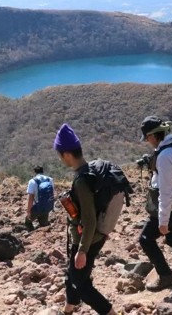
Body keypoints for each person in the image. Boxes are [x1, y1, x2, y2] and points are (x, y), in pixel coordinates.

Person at [54, 123, 116, 315]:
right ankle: (68, 310)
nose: (60, 159)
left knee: (81, 284)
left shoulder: (82, 181)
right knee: (72, 275)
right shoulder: (89, 171)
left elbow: (89, 220)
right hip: (90, 236)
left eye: (59, 155)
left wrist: (82, 250)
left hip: (87, 238)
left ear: (66, 154)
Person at [138, 116, 172, 292]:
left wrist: (163, 221)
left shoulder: (165, 156)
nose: (147, 142)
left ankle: (166, 276)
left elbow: (166, 192)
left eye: (147, 138)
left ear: (154, 136)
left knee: (146, 239)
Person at [26, 165, 54, 231]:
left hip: (37, 207)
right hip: (47, 206)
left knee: (27, 222)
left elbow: (31, 197)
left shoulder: (32, 181)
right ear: (43, 171)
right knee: (44, 225)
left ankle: (32, 235)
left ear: (34, 172)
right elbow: (52, 194)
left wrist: (28, 211)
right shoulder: (50, 179)